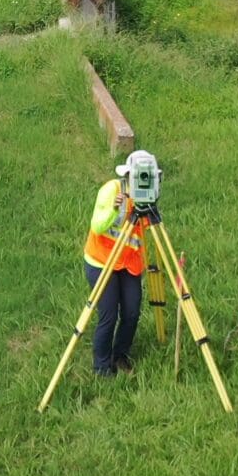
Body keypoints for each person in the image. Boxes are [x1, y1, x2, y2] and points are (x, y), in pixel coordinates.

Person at [81, 158, 148, 376]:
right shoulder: (112, 190)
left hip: (127, 263)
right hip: (102, 261)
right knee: (108, 314)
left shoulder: (146, 199)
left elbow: (144, 232)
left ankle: (120, 355)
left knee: (131, 312)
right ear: (128, 175)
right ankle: (101, 366)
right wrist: (114, 209)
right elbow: (97, 226)